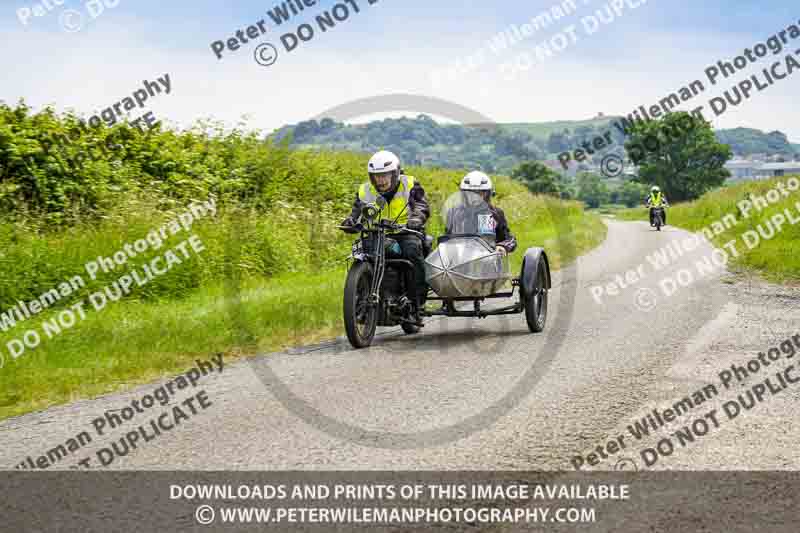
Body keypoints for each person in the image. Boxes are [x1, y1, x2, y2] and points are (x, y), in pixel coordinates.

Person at [341, 150, 430, 311]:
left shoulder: (409, 184)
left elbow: (420, 205)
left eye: (385, 175)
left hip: (405, 232)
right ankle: (361, 298)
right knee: (364, 251)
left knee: (412, 250)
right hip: (377, 233)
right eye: (376, 176)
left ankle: (417, 299)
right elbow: (357, 211)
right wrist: (351, 222)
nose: (380, 180)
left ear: (395, 174)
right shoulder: (365, 190)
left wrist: (416, 219)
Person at [446, 171, 517, 255]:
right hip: (460, 261)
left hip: (489, 260)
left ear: (487, 194)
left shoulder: (495, 213)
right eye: (470, 193)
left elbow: (509, 239)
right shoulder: (455, 212)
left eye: (479, 193)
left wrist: (503, 246)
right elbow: (447, 238)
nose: (474, 197)